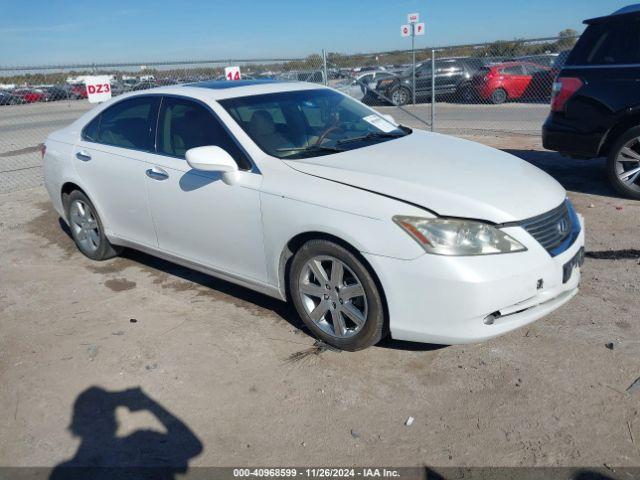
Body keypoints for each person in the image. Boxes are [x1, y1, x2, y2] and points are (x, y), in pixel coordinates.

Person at [50, 386, 203, 480]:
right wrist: (149, 404)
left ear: (76, 424)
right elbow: (193, 447)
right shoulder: (140, 441)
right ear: (115, 420)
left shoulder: (62, 474)